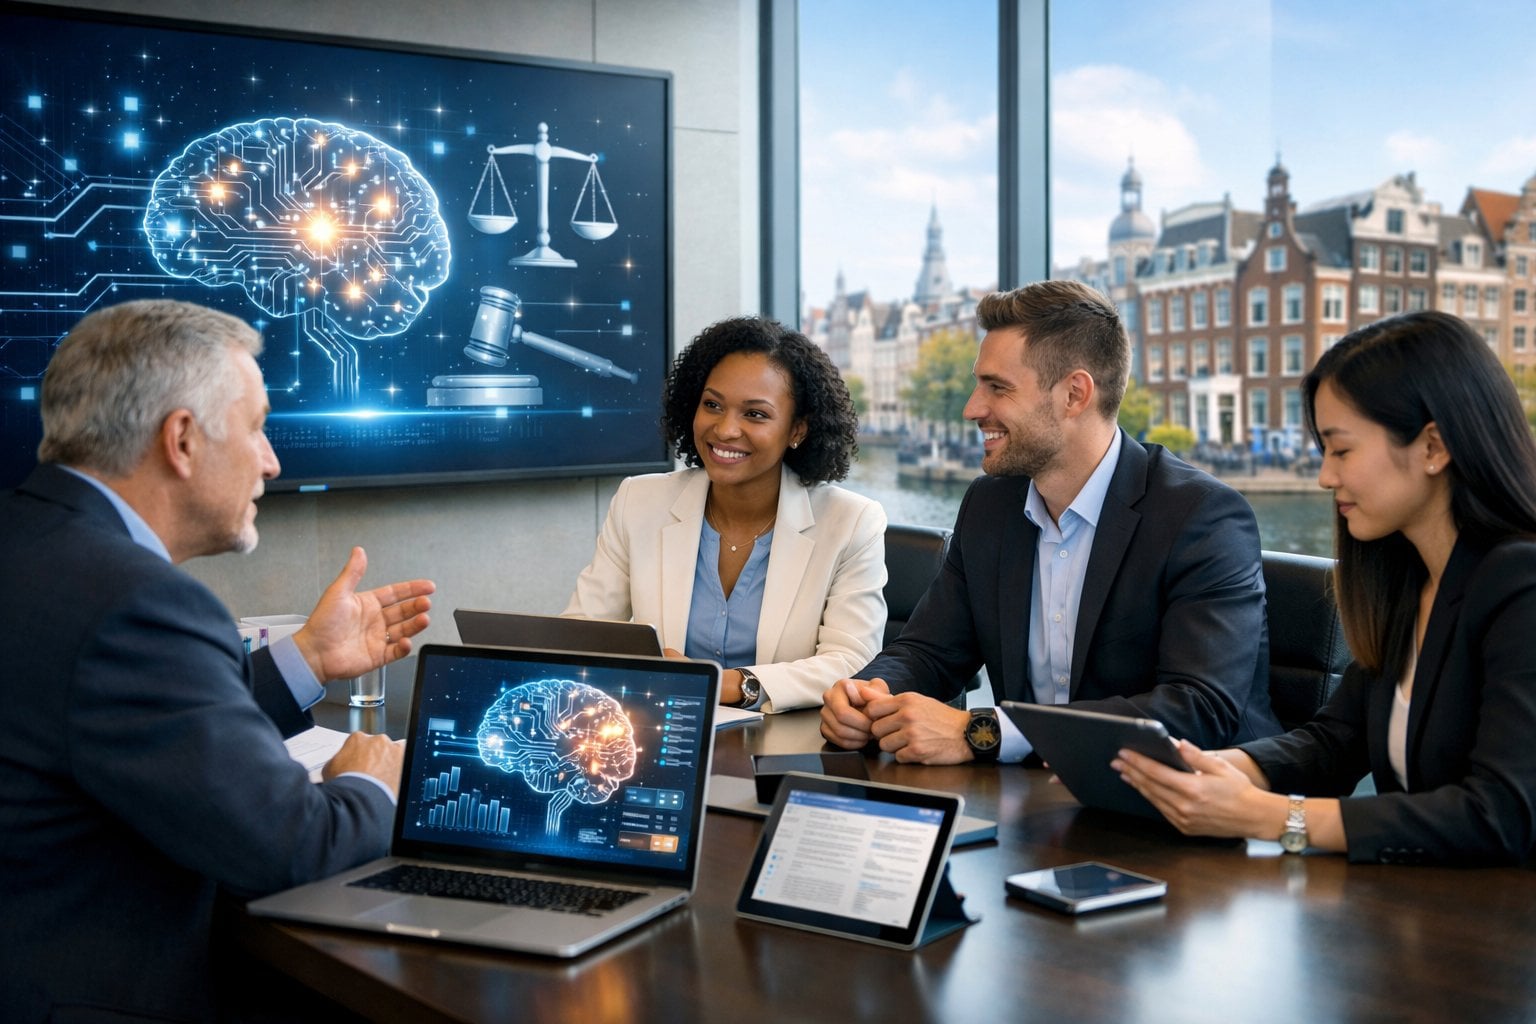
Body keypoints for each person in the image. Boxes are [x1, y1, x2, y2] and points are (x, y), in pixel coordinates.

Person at [0, 300, 436, 1022]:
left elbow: (132, 724)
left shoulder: (30, 542)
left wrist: (306, 658)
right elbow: (295, 849)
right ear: (181, 439)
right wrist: (374, 784)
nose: (272, 460)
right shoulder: (138, 602)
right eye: (257, 427)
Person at [1116, 310, 1536, 865]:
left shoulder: (1521, 583)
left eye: (1341, 451)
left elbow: (1502, 814)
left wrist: (1269, 815)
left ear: (1433, 447)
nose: (1324, 476)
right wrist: (1210, 768)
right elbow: (1336, 742)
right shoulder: (1410, 580)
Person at [820, 279, 1278, 763]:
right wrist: (867, 693)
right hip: (1033, 793)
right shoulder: (990, 505)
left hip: (1189, 797)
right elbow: (929, 651)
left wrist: (984, 731)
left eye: (998, 388)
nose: (972, 409)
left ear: (1074, 394)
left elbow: (1199, 709)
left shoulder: (1202, 517)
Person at [565, 316, 886, 712]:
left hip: (788, 742)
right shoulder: (639, 501)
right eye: (712, 405)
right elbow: (581, 633)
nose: (725, 429)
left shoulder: (852, 522)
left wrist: (726, 684)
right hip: (663, 731)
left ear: (797, 430)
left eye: (755, 414)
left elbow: (852, 662)